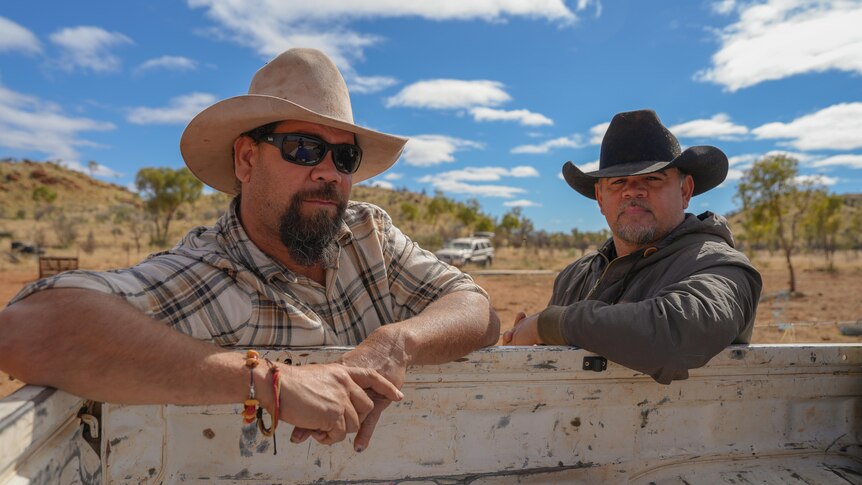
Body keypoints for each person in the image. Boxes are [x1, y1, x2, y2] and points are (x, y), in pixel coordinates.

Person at [0, 48, 499, 451]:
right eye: (304, 148)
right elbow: (28, 330)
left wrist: (396, 343)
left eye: (344, 156)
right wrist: (269, 382)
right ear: (245, 158)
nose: (328, 171)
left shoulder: (368, 234)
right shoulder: (206, 272)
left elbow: (478, 311)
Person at [502, 109, 762, 384]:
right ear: (600, 198)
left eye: (653, 178)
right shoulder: (576, 274)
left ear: (685, 191)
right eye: (617, 182)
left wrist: (548, 324)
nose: (633, 190)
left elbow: (675, 337)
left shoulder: (720, 266)